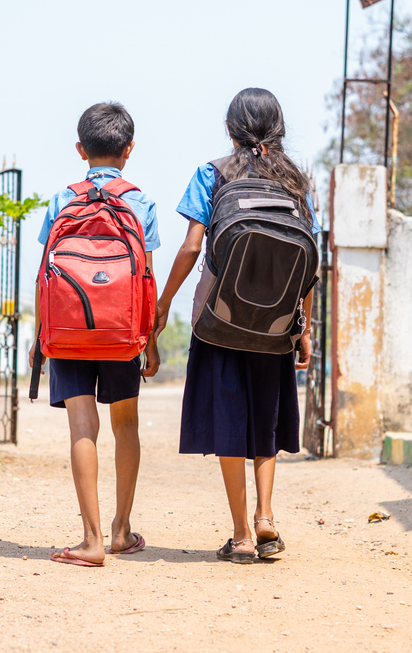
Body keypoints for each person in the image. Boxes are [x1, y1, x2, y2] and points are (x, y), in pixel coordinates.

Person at [154, 87, 318, 563]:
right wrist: (303, 329)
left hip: (220, 322)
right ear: (279, 129)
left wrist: (164, 304)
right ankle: (267, 517)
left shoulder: (212, 174)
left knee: (230, 423)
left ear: (229, 130)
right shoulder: (296, 183)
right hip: (275, 327)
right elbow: (311, 260)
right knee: (265, 421)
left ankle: (242, 535)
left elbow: (189, 247)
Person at [34, 102, 161, 567]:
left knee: (82, 427)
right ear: (129, 150)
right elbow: (144, 274)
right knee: (125, 425)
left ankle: (89, 541)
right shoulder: (140, 202)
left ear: (80, 149)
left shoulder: (61, 200)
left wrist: (39, 336)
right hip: (121, 332)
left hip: (67, 330)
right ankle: (121, 532)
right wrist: (150, 339)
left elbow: (44, 275)